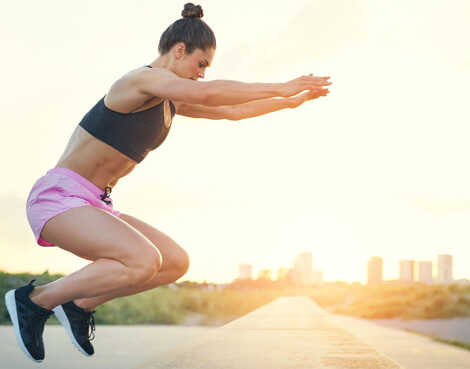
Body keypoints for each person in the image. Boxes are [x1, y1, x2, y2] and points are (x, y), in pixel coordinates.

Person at [4, 2, 331, 363]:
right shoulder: (139, 81)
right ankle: (34, 301)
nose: (202, 74)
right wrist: (283, 85)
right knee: (143, 260)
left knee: (174, 262)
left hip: (92, 202)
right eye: (201, 64)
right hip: (57, 198)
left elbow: (230, 110)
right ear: (179, 50)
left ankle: (79, 305)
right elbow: (210, 94)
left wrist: (289, 101)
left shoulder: (168, 99)